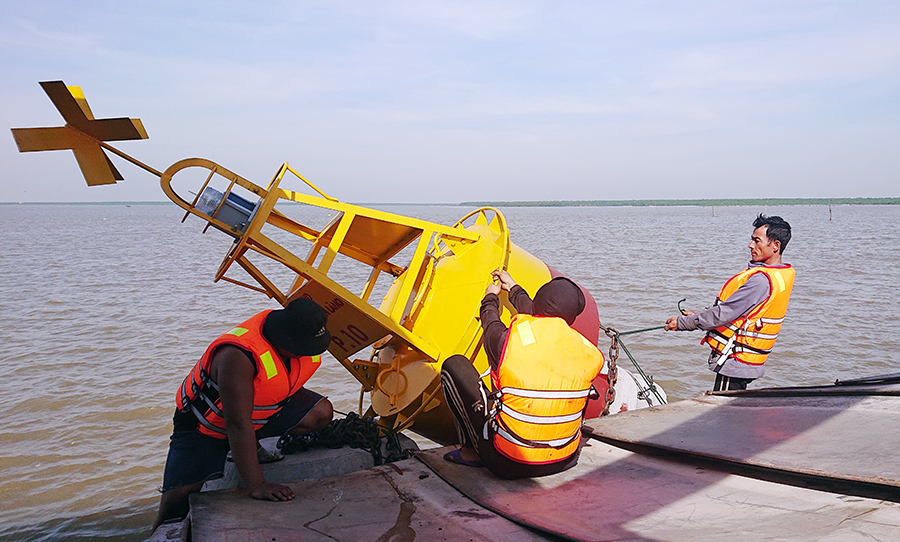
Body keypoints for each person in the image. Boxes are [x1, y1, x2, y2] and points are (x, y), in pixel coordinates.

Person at [153, 298, 334, 530]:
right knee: (176, 501)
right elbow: (237, 423)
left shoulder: (300, 327)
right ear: (286, 339)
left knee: (320, 412)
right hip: (205, 426)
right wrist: (257, 485)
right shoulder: (237, 356)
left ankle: (252, 444)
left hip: (265, 409)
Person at [440, 270, 605, 479]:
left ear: (537, 305)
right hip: (565, 459)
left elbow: (490, 320)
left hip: (507, 462)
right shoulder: (590, 354)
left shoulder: (505, 343)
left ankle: (471, 451)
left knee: (454, 366)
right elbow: (543, 317)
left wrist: (490, 297)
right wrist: (514, 288)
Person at [665, 214, 794, 391]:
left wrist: (684, 323)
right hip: (747, 361)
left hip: (736, 361)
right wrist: (697, 316)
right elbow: (739, 312)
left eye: (757, 241)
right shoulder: (778, 275)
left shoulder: (761, 281)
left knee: (724, 412)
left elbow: (722, 314)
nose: (751, 245)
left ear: (775, 245)